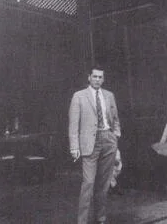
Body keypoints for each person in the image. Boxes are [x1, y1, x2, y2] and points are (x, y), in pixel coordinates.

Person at [69, 67, 121, 224]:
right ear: (89, 78)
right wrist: (74, 146)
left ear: (103, 79)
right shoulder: (79, 96)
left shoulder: (109, 95)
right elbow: (73, 123)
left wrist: (115, 135)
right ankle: (82, 221)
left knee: (104, 184)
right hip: (89, 142)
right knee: (89, 183)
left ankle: (100, 219)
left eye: (100, 77)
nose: (98, 79)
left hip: (108, 139)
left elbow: (115, 117)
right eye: (95, 76)